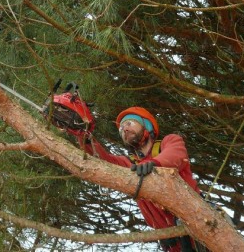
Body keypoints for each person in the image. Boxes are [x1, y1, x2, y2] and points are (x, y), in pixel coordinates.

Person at [71, 106, 204, 252]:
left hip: (201, 226)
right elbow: (102, 162)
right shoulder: (131, 164)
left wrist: (154, 164)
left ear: (147, 125)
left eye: (129, 123)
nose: (124, 129)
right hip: (172, 243)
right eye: (121, 129)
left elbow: (175, 155)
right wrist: (83, 134)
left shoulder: (169, 142)